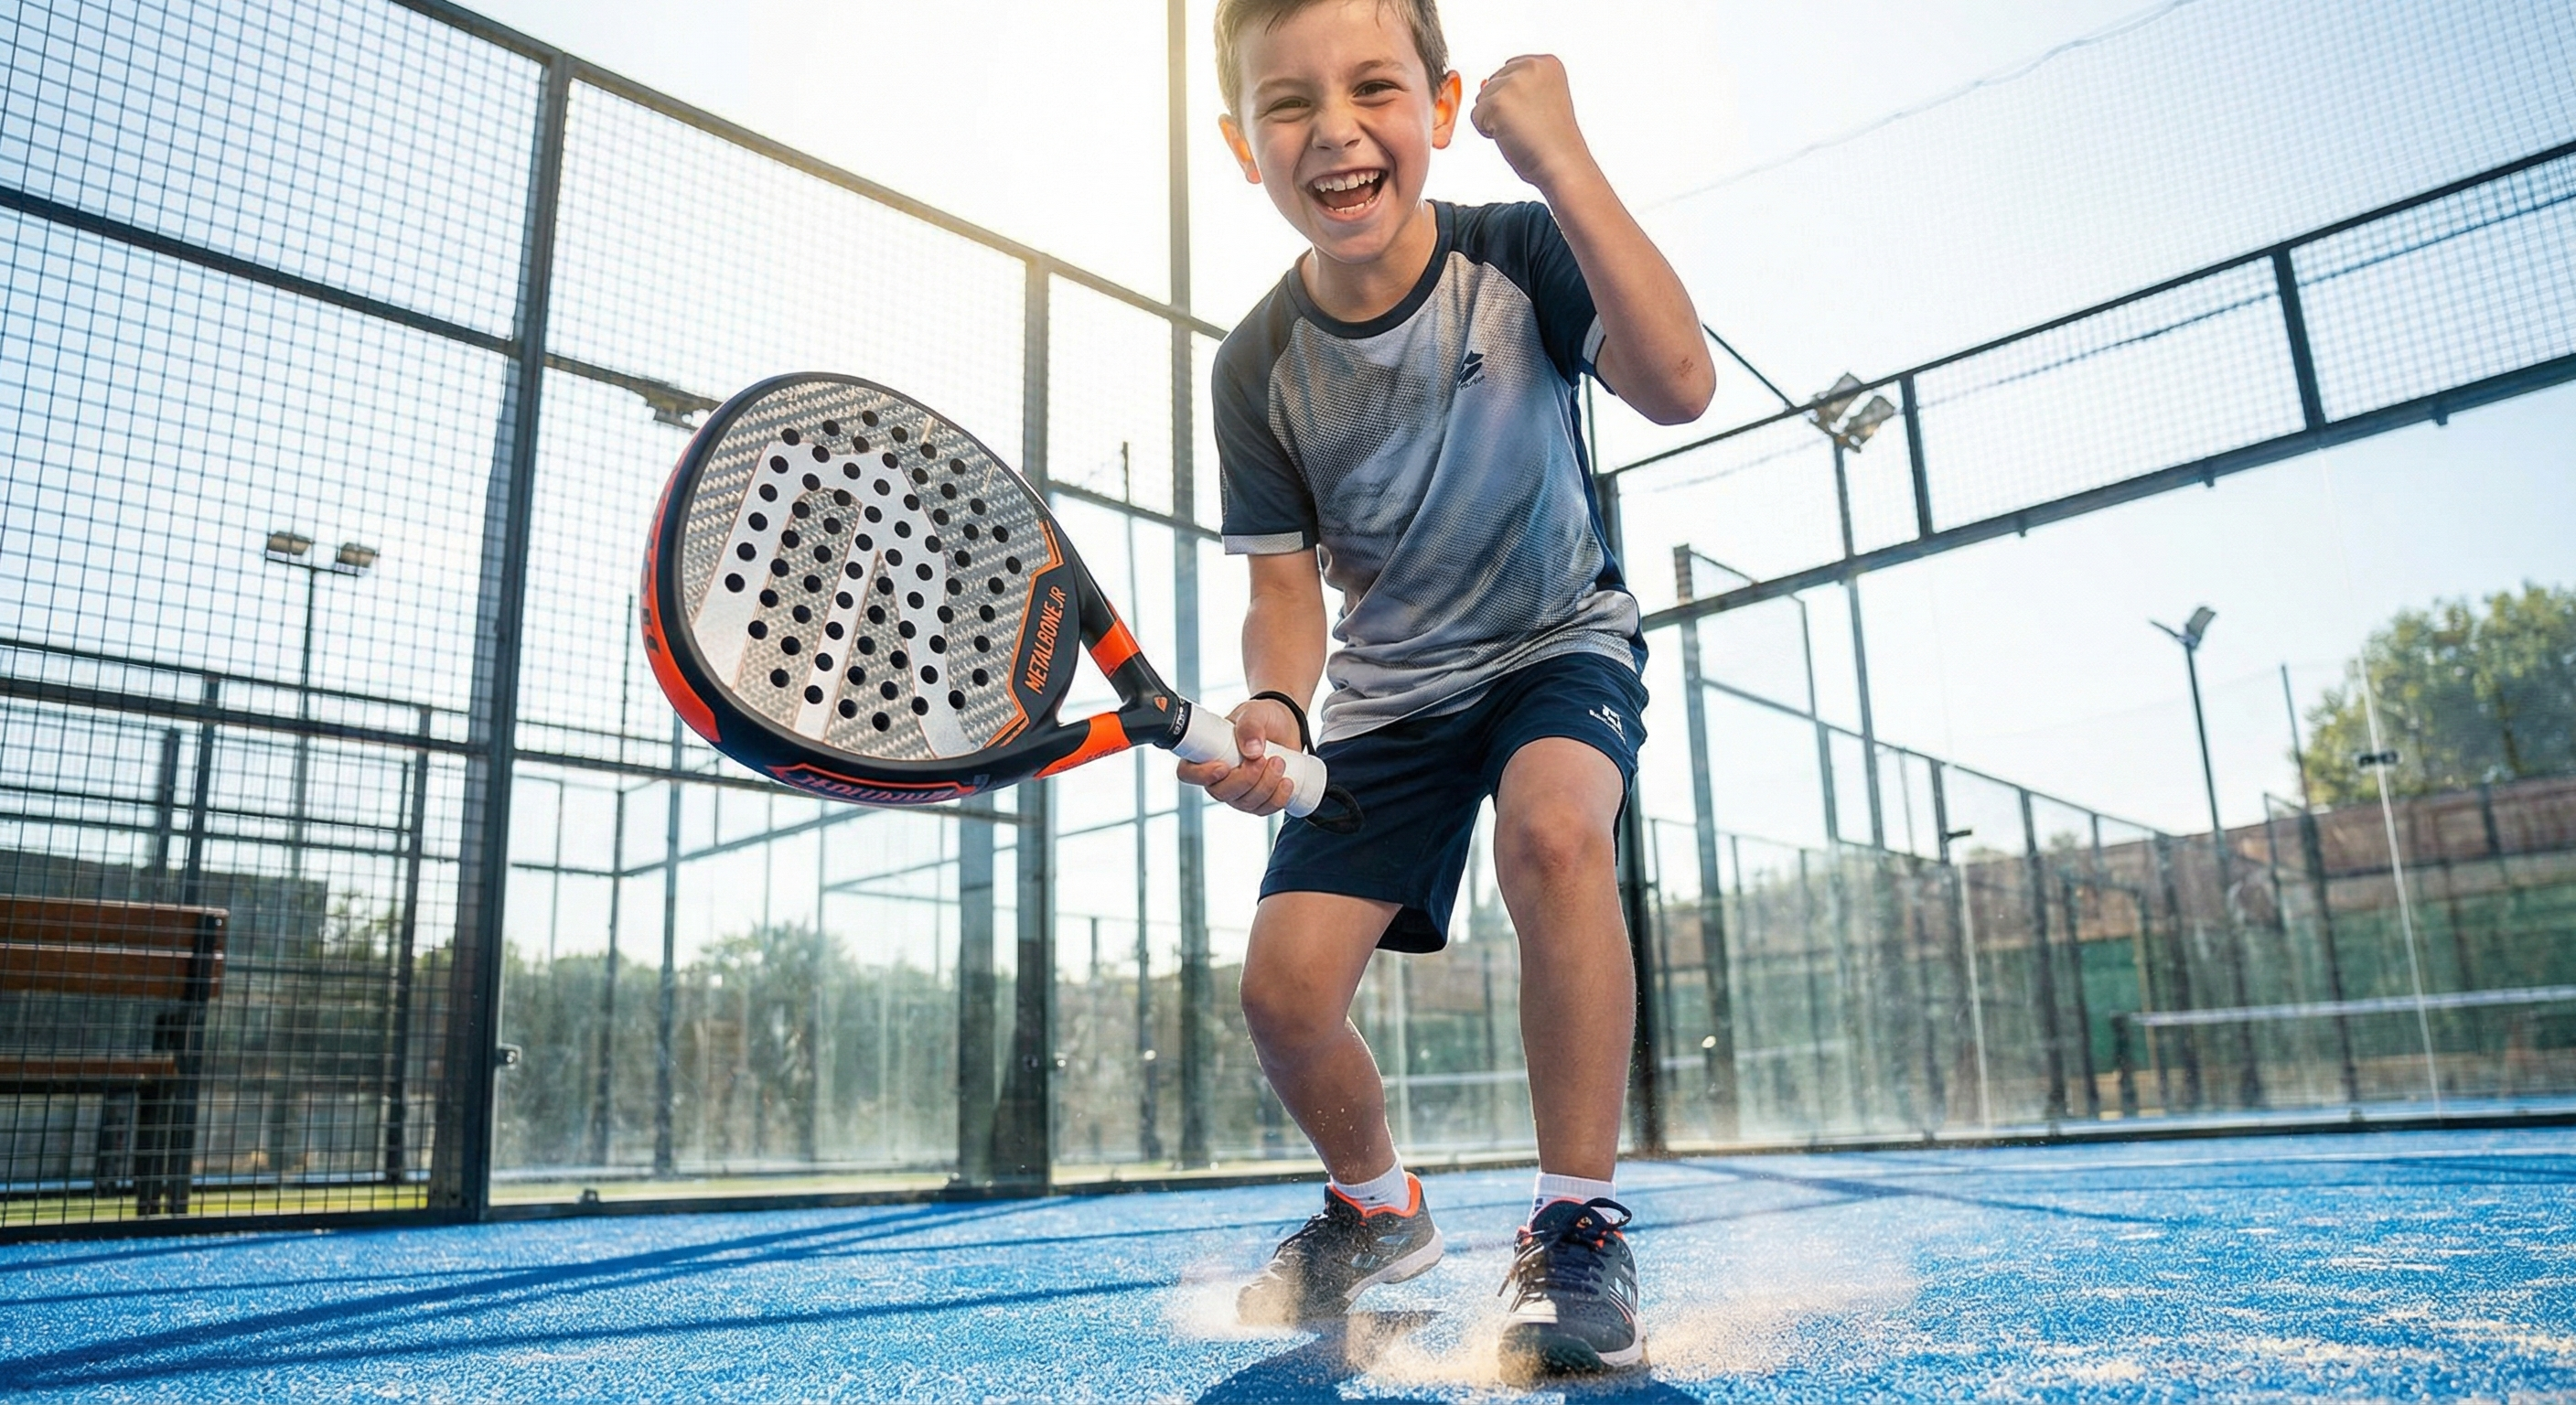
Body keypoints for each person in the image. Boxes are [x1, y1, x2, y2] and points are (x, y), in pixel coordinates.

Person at [1178, 0, 1713, 1378]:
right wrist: (1280, 713)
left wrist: (1566, 164)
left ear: (1440, 101)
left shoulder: (1518, 250)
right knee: (1284, 998)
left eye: (1374, 88)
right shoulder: (1253, 367)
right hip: (1389, 696)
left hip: (1557, 639)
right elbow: (1286, 591)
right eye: (1290, 104)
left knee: (1554, 833)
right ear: (1244, 145)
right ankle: (1375, 1209)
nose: (1337, 129)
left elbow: (1680, 383)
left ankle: (1575, 1227)